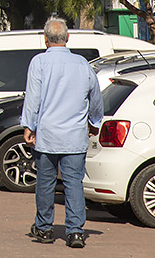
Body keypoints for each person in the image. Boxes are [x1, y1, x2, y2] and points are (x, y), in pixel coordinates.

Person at [20, 17, 103, 249]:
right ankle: (75, 232)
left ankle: (44, 228)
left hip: (47, 136)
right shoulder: (83, 64)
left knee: (45, 183)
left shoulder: (39, 63)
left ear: (45, 39)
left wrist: (29, 125)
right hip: (75, 136)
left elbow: (33, 98)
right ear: (68, 38)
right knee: (74, 183)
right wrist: (94, 121)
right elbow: (95, 98)